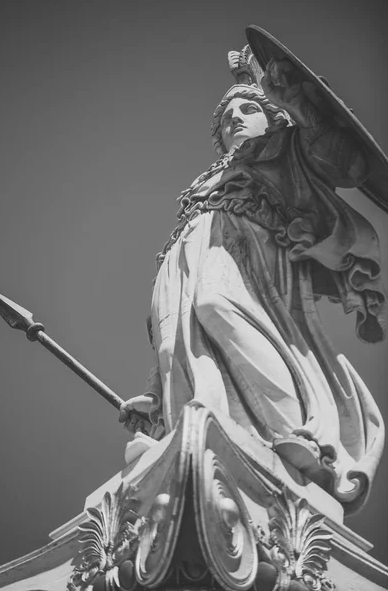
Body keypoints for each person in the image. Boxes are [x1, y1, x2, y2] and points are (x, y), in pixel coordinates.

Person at [119, 46, 385, 512]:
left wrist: (298, 104)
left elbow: (343, 163)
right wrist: (153, 394)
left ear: (272, 117)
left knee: (216, 306)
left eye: (249, 108)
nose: (235, 119)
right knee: (172, 339)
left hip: (247, 242)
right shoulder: (208, 181)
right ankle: (177, 424)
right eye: (226, 117)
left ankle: (298, 437)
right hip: (188, 248)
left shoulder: (283, 149)